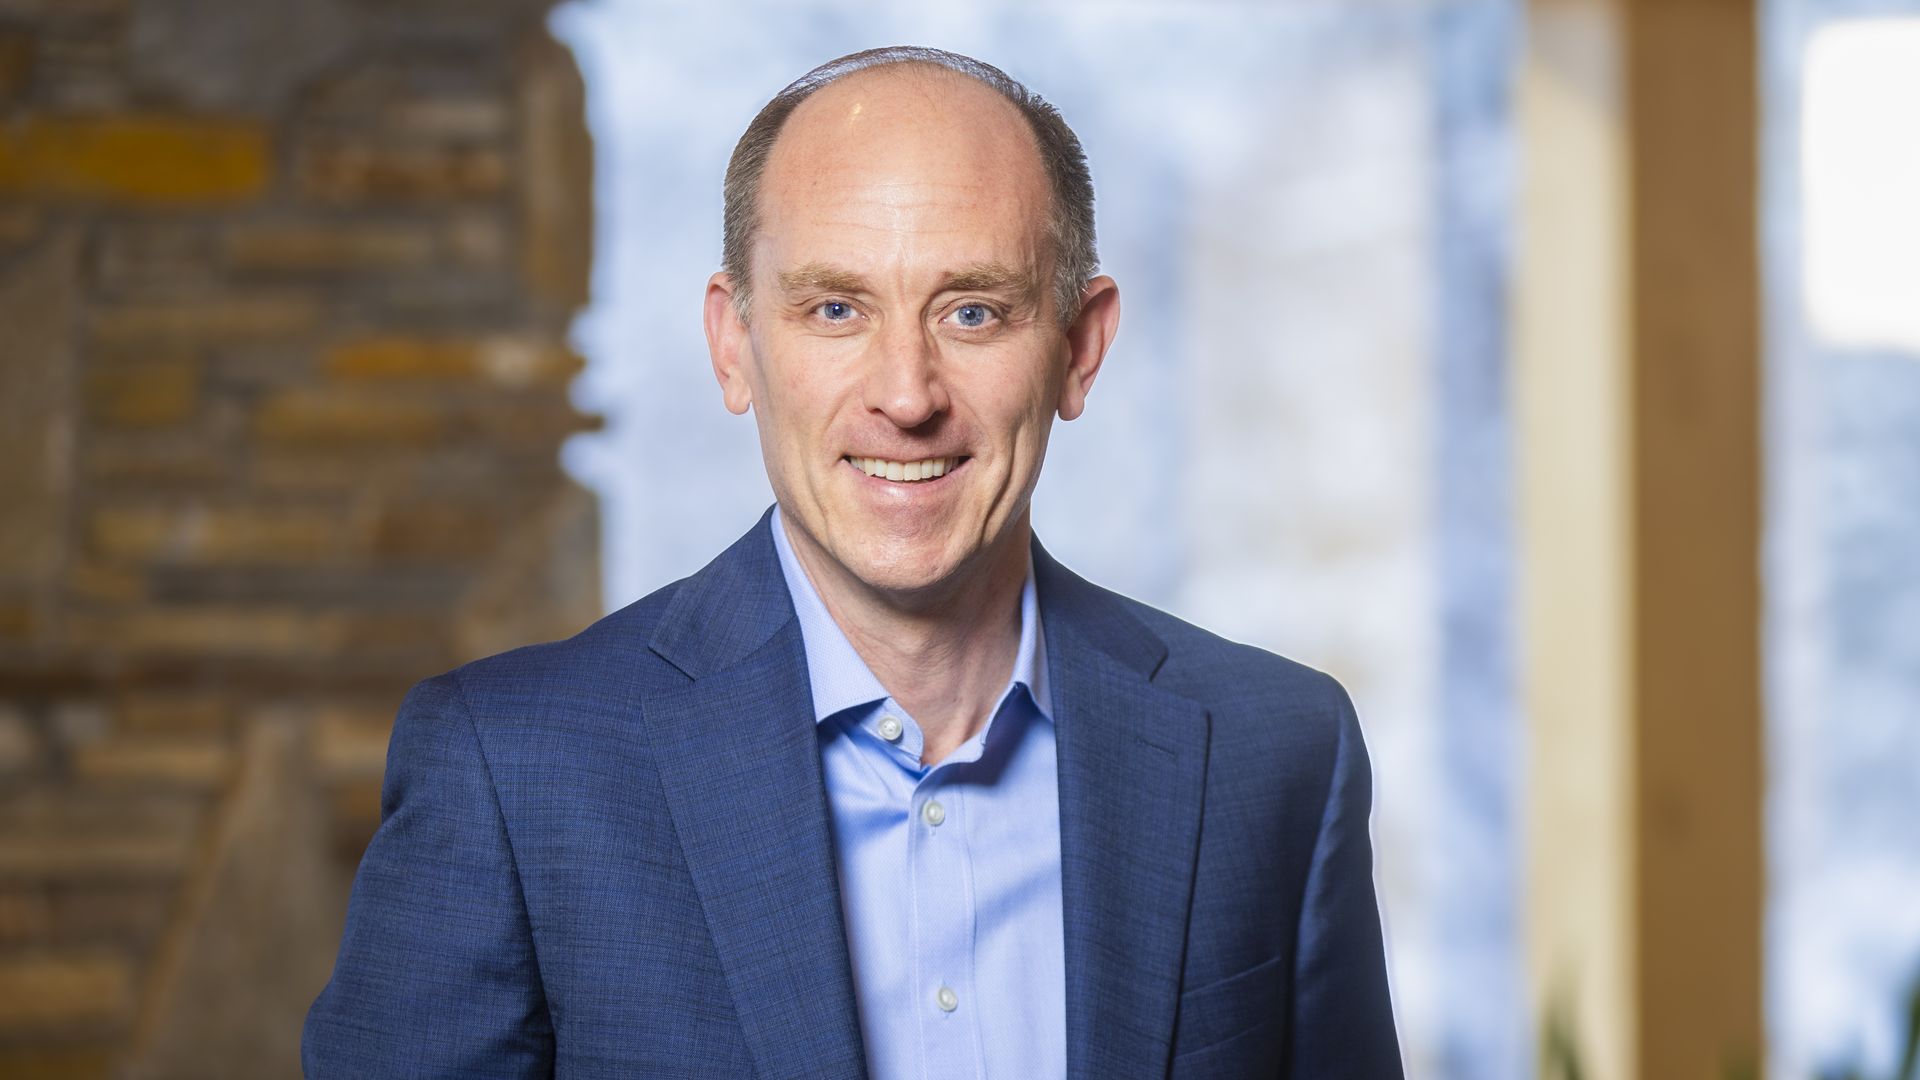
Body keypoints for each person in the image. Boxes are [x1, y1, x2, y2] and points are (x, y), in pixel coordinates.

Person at [303, 45, 1402, 1079]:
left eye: (973, 311)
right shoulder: (514, 774)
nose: (907, 394)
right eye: (836, 308)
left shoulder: (1276, 757)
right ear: (735, 344)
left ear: (1080, 347)